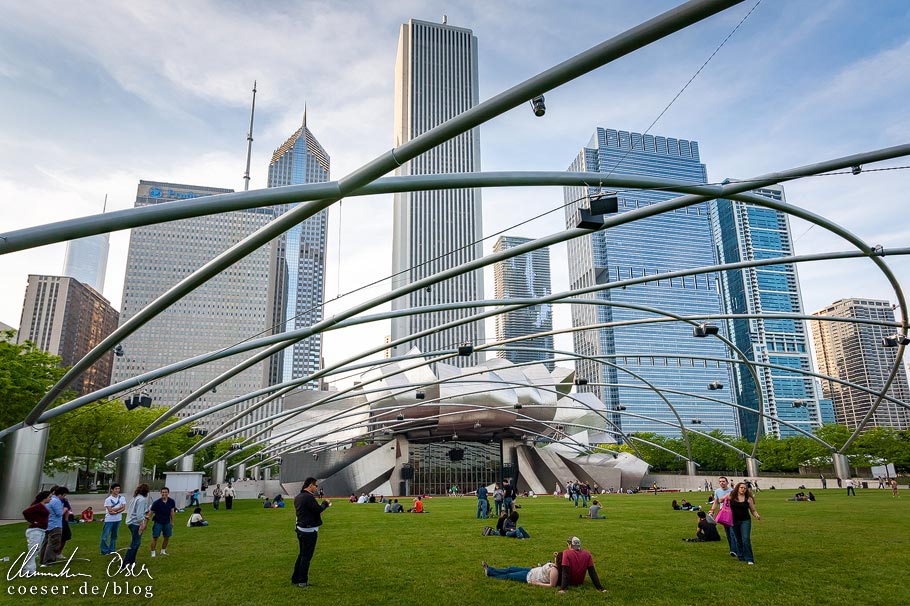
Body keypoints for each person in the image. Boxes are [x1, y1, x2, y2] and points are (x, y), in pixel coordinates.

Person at [292, 477, 331, 589]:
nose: (316, 488)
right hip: (309, 531)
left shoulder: (298, 497)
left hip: (301, 529)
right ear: (310, 485)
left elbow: (309, 512)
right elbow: (318, 509)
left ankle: (295, 578)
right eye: (316, 486)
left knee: (302, 555)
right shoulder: (308, 497)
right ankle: (302, 581)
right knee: (306, 557)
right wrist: (325, 503)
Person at [725, 482, 761, 564]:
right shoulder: (731, 496)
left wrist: (757, 515)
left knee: (746, 539)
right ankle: (741, 556)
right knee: (738, 539)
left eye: (745, 488)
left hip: (745, 521)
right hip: (734, 521)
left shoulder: (748, 498)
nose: (743, 489)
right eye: (741, 487)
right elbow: (720, 500)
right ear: (737, 488)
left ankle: (749, 558)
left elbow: (753, 510)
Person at [22, 490, 52, 574]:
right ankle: (28, 570)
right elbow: (26, 512)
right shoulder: (38, 506)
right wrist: (34, 521)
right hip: (35, 530)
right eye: (49, 497)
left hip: (41, 529)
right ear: (44, 498)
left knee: (36, 550)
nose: (50, 499)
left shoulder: (42, 506)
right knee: (33, 549)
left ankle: (30, 569)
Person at [707, 476, 736, 558]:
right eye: (720, 481)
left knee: (732, 532)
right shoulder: (717, 491)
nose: (722, 483)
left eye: (723, 481)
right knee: (728, 533)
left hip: (732, 513)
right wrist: (712, 510)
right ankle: (732, 549)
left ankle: (734, 550)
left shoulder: (732, 491)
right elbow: (716, 502)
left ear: (727, 482)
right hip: (723, 514)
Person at [482, 556, 559, 587]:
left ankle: (490, 574)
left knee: (509, 575)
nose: (555, 557)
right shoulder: (554, 565)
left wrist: (537, 583)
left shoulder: (554, 571)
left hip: (530, 577)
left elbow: (552, 585)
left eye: (556, 557)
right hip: (531, 570)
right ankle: (490, 570)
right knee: (511, 568)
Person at [123, 484, 151, 567]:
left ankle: (131, 561)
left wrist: (143, 516)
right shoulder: (142, 499)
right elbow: (139, 514)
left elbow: (135, 511)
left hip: (131, 522)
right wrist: (141, 524)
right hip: (136, 523)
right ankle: (126, 562)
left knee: (135, 542)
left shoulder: (135, 498)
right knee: (135, 543)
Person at [149, 487, 177, 558]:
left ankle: (163, 551)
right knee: (155, 537)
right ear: (160, 493)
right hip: (158, 522)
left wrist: (172, 521)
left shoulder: (171, 501)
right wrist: (146, 519)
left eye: (166, 492)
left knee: (167, 537)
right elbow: (151, 512)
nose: (164, 494)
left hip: (167, 522)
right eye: (163, 492)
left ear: (168, 493)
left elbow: (172, 511)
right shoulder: (156, 502)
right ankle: (153, 552)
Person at [100, 483, 126, 556]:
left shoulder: (122, 498)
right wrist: (118, 508)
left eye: (118, 489)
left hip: (118, 519)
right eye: (116, 489)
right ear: (112, 490)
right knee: (105, 536)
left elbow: (123, 508)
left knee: (114, 535)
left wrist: (116, 510)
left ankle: (112, 549)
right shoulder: (108, 499)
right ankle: (104, 550)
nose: (117, 490)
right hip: (109, 520)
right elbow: (110, 511)